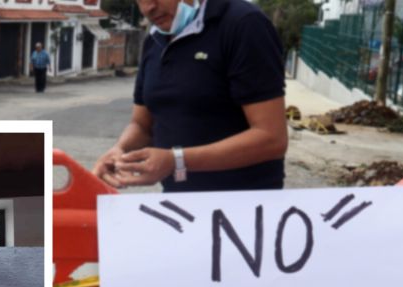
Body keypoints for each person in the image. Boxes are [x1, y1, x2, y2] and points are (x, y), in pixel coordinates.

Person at [92, 0, 288, 192]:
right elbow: (143, 125)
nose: (147, 8)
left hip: (243, 208)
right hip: (181, 207)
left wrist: (176, 161)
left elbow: (271, 138)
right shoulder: (154, 40)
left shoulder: (243, 24)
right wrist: (120, 151)